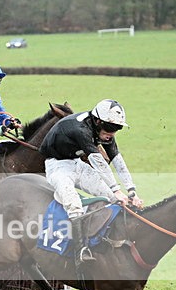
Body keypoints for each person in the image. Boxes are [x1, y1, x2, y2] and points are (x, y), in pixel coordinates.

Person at [40, 99, 143, 263]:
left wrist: (131, 191)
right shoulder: (81, 129)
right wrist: (117, 189)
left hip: (77, 164)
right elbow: (99, 163)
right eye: (110, 127)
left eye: (117, 128)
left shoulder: (104, 130)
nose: (113, 132)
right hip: (57, 167)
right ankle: (80, 251)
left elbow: (117, 160)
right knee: (73, 204)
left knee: (114, 198)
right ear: (97, 120)